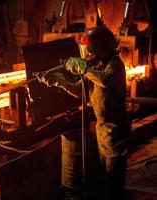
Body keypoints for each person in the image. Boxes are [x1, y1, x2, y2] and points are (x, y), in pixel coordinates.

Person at [35, 26, 130, 200]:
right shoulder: (97, 66)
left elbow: (104, 80)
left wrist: (84, 69)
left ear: (99, 49)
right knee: (103, 181)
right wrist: (59, 82)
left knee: (113, 185)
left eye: (88, 49)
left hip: (116, 134)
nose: (86, 54)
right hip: (102, 132)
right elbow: (80, 91)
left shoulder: (115, 65)